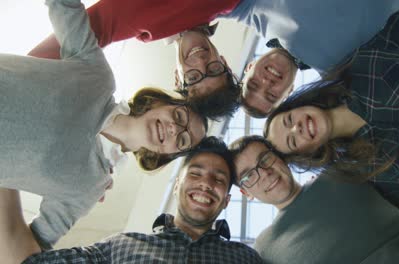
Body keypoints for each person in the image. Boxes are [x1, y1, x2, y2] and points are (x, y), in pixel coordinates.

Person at [0, 0, 207, 250]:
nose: (175, 129)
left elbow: (33, 249)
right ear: (159, 103)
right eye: (179, 117)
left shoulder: (89, 187)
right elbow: (64, 7)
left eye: (182, 140)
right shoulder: (98, 76)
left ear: (163, 156)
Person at [263, 0, 399, 189]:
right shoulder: (371, 168)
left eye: (288, 120)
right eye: (292, 141)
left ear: (296, 105)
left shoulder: (360, 67)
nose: (296, 128)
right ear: (306, 154)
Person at [0, 137, 264, 263]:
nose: (206, 184)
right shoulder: (120, 247)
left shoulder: (246, 259)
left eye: (218, 179)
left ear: (227, 200)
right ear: (176, 186)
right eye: (195, 174)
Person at [229, 135, 399, 264]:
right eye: (249, 176)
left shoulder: (339, 171)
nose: (265, 173)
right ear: (245, 193)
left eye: (265, 160)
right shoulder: (265, 248)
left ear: (281, 158)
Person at [28, 0, 242, 120]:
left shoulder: (141, 27)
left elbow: (73, 39)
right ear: (224, 63)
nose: (201, 62)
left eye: (194, 76)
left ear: (178, 79)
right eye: (214, 70)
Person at [219, 0, 399, 117]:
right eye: (272, 95)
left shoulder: (251, 10)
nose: (267, 83)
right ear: (289, 92)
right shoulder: (339, 70)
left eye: (253, 84)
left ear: (249, 66)